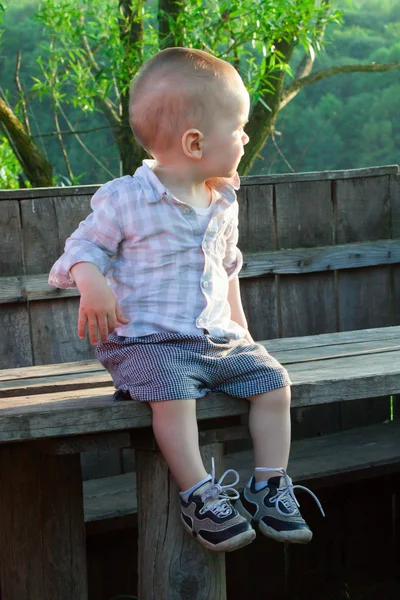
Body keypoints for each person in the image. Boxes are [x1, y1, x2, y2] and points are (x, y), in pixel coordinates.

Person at [49, 47, 324, 553]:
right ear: (195, 142)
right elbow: (80, 248)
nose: (245, 136)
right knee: (175, 398)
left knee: (274, 383)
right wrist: (92, 282)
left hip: (216, 339)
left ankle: (269, 484)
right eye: (238, 126)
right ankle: (198, 491)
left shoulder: (222, 198)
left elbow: (227, 269)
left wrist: (241, 331)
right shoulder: (127, 198)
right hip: (146, 342)